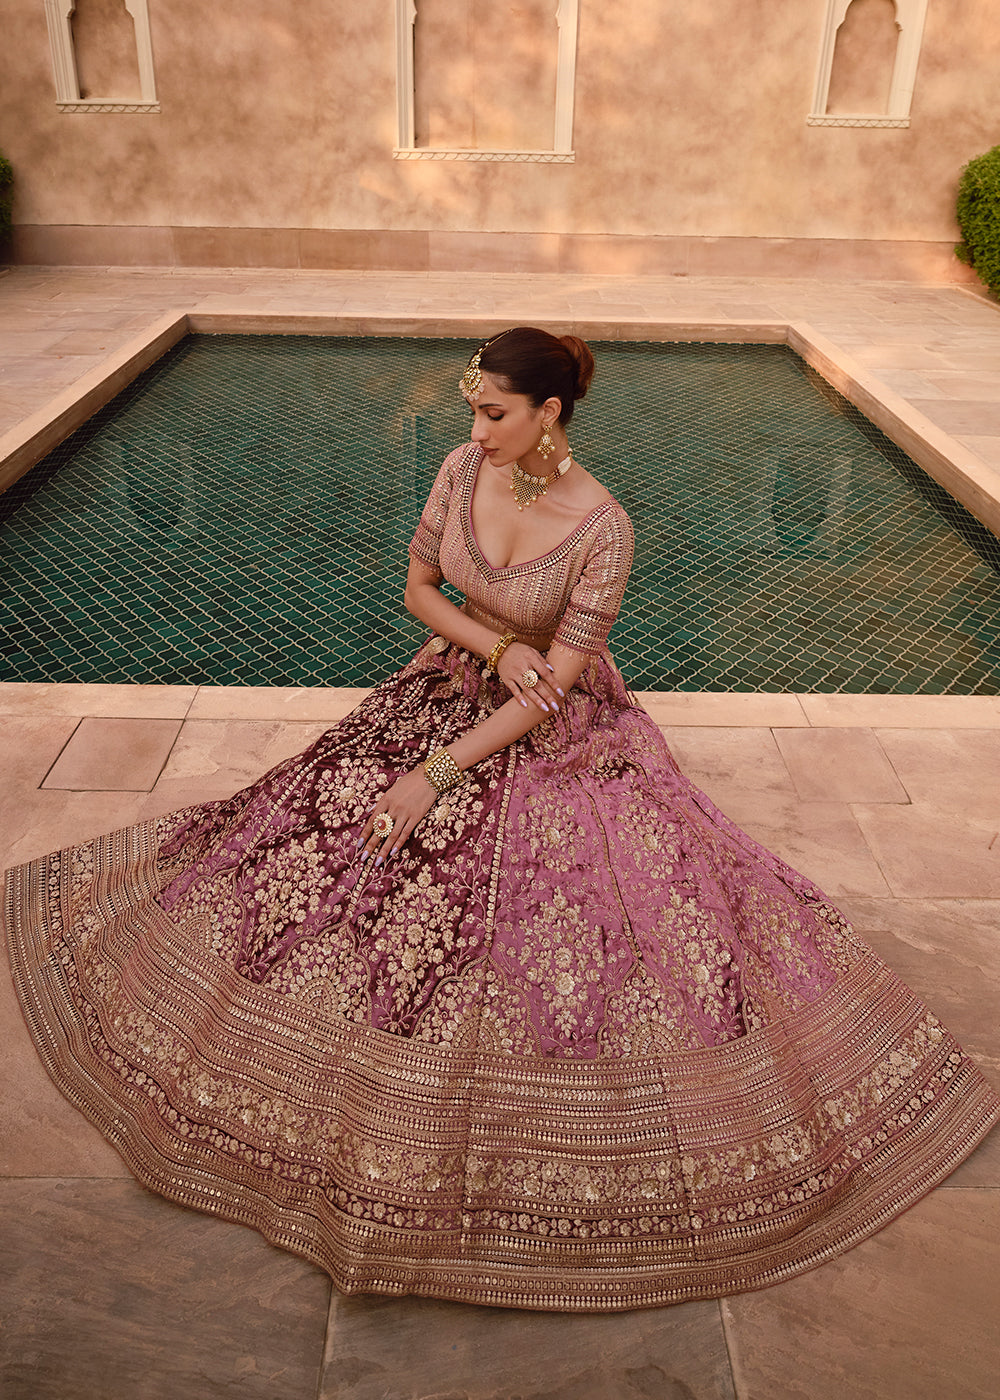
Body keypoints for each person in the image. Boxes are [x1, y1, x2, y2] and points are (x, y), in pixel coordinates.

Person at [5, 328, 998, 1313]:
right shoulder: (456, 463)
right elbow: (417, 590)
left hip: (559, 728)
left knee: (596, 899)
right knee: (324, 813)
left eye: (493, 413)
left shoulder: (604, 525)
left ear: (549, 412)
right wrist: (490, 647)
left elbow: (554, 689)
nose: (474, 432)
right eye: (470, 410)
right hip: (455, 683)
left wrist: (436, 771)